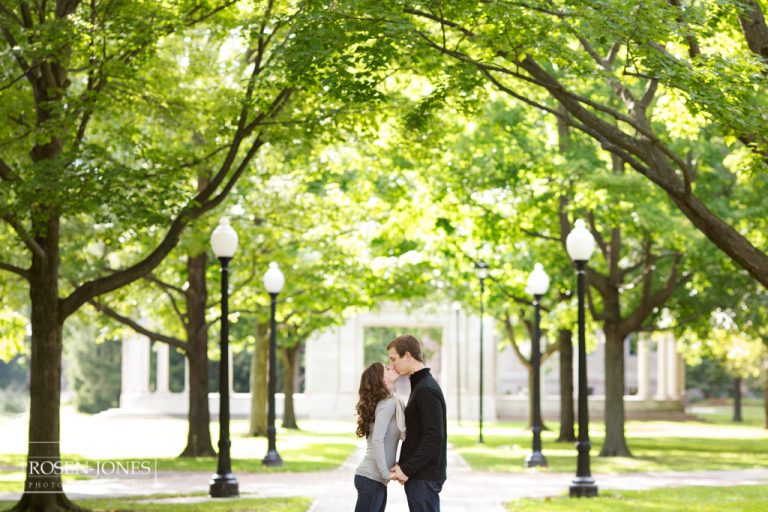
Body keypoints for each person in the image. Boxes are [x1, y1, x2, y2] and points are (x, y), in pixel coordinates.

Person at [387, 334, 447, 512]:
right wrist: (403, 464)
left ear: (407, 355)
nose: (392, 365)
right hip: (419, 476)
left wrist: (407, 469)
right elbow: (417, 434)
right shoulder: (420, 385)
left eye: (393, 359)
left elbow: (434, 436)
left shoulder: (426, 389)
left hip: (423, 477)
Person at [354, 362, 406, 512]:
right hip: (372, 478)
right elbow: (377, 439)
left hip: (375, 481)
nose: (392, 366)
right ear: (383, 380)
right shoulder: (388, 403)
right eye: (387, 369)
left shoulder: (390, 400)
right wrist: (386, 473)